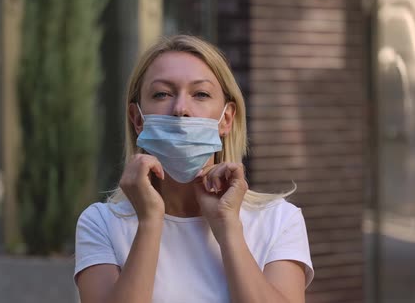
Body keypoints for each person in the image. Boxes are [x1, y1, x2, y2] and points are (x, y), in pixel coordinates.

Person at [74, 35, 314, 303]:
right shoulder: (101, 224)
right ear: (137, 118)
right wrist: (150, 221)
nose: (180, 109)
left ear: (227, 119)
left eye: (200, 94)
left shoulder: (279, 221)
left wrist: (228, 227)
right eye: (162, 94)